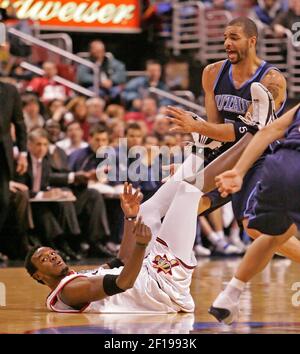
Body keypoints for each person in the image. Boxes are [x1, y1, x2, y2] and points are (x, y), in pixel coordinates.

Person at [164, 16, 287, 254]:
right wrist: (189, 166)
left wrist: (197, 127)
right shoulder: (212, 73)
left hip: (258, 158)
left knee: (252, 226)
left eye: (234, 37)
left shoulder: (271, 80)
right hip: (225, 155)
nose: (227, 43)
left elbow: (246, 131)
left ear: (252, 41)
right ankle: (166, 266)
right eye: (225, 38)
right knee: (187, 203)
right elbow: (216, 130)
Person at [25, 181, 202, 313]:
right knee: (187, 190)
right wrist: (141, 245)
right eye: (44, 259)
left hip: (151, 274)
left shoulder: (77, 279)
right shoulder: (69, 292)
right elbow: (124, 283)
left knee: (152, 206)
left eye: (52, 252)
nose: (53, 256)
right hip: (162, 284)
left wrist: (130, 217)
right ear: (38, 275)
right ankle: (216, 162)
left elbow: (121, 260)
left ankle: (204, 150)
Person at [209, 101, 300, 324]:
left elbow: (268, 130)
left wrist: (238, 172)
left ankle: (229, 295)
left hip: (278, 164)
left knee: (274, 235)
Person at [0, 80, 28, 262]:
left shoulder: (10, 90)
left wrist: (23, 153)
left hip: (2, 155)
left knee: (2, 202)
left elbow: (19, 123)